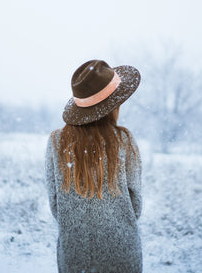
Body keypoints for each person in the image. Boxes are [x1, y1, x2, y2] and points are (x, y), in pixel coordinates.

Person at [45, 59, 143, 273]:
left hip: (75, 255)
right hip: (122, 252)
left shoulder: (56, 142)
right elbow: (135, 202)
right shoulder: (125, 140)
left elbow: (55, 204)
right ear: (112, 106)